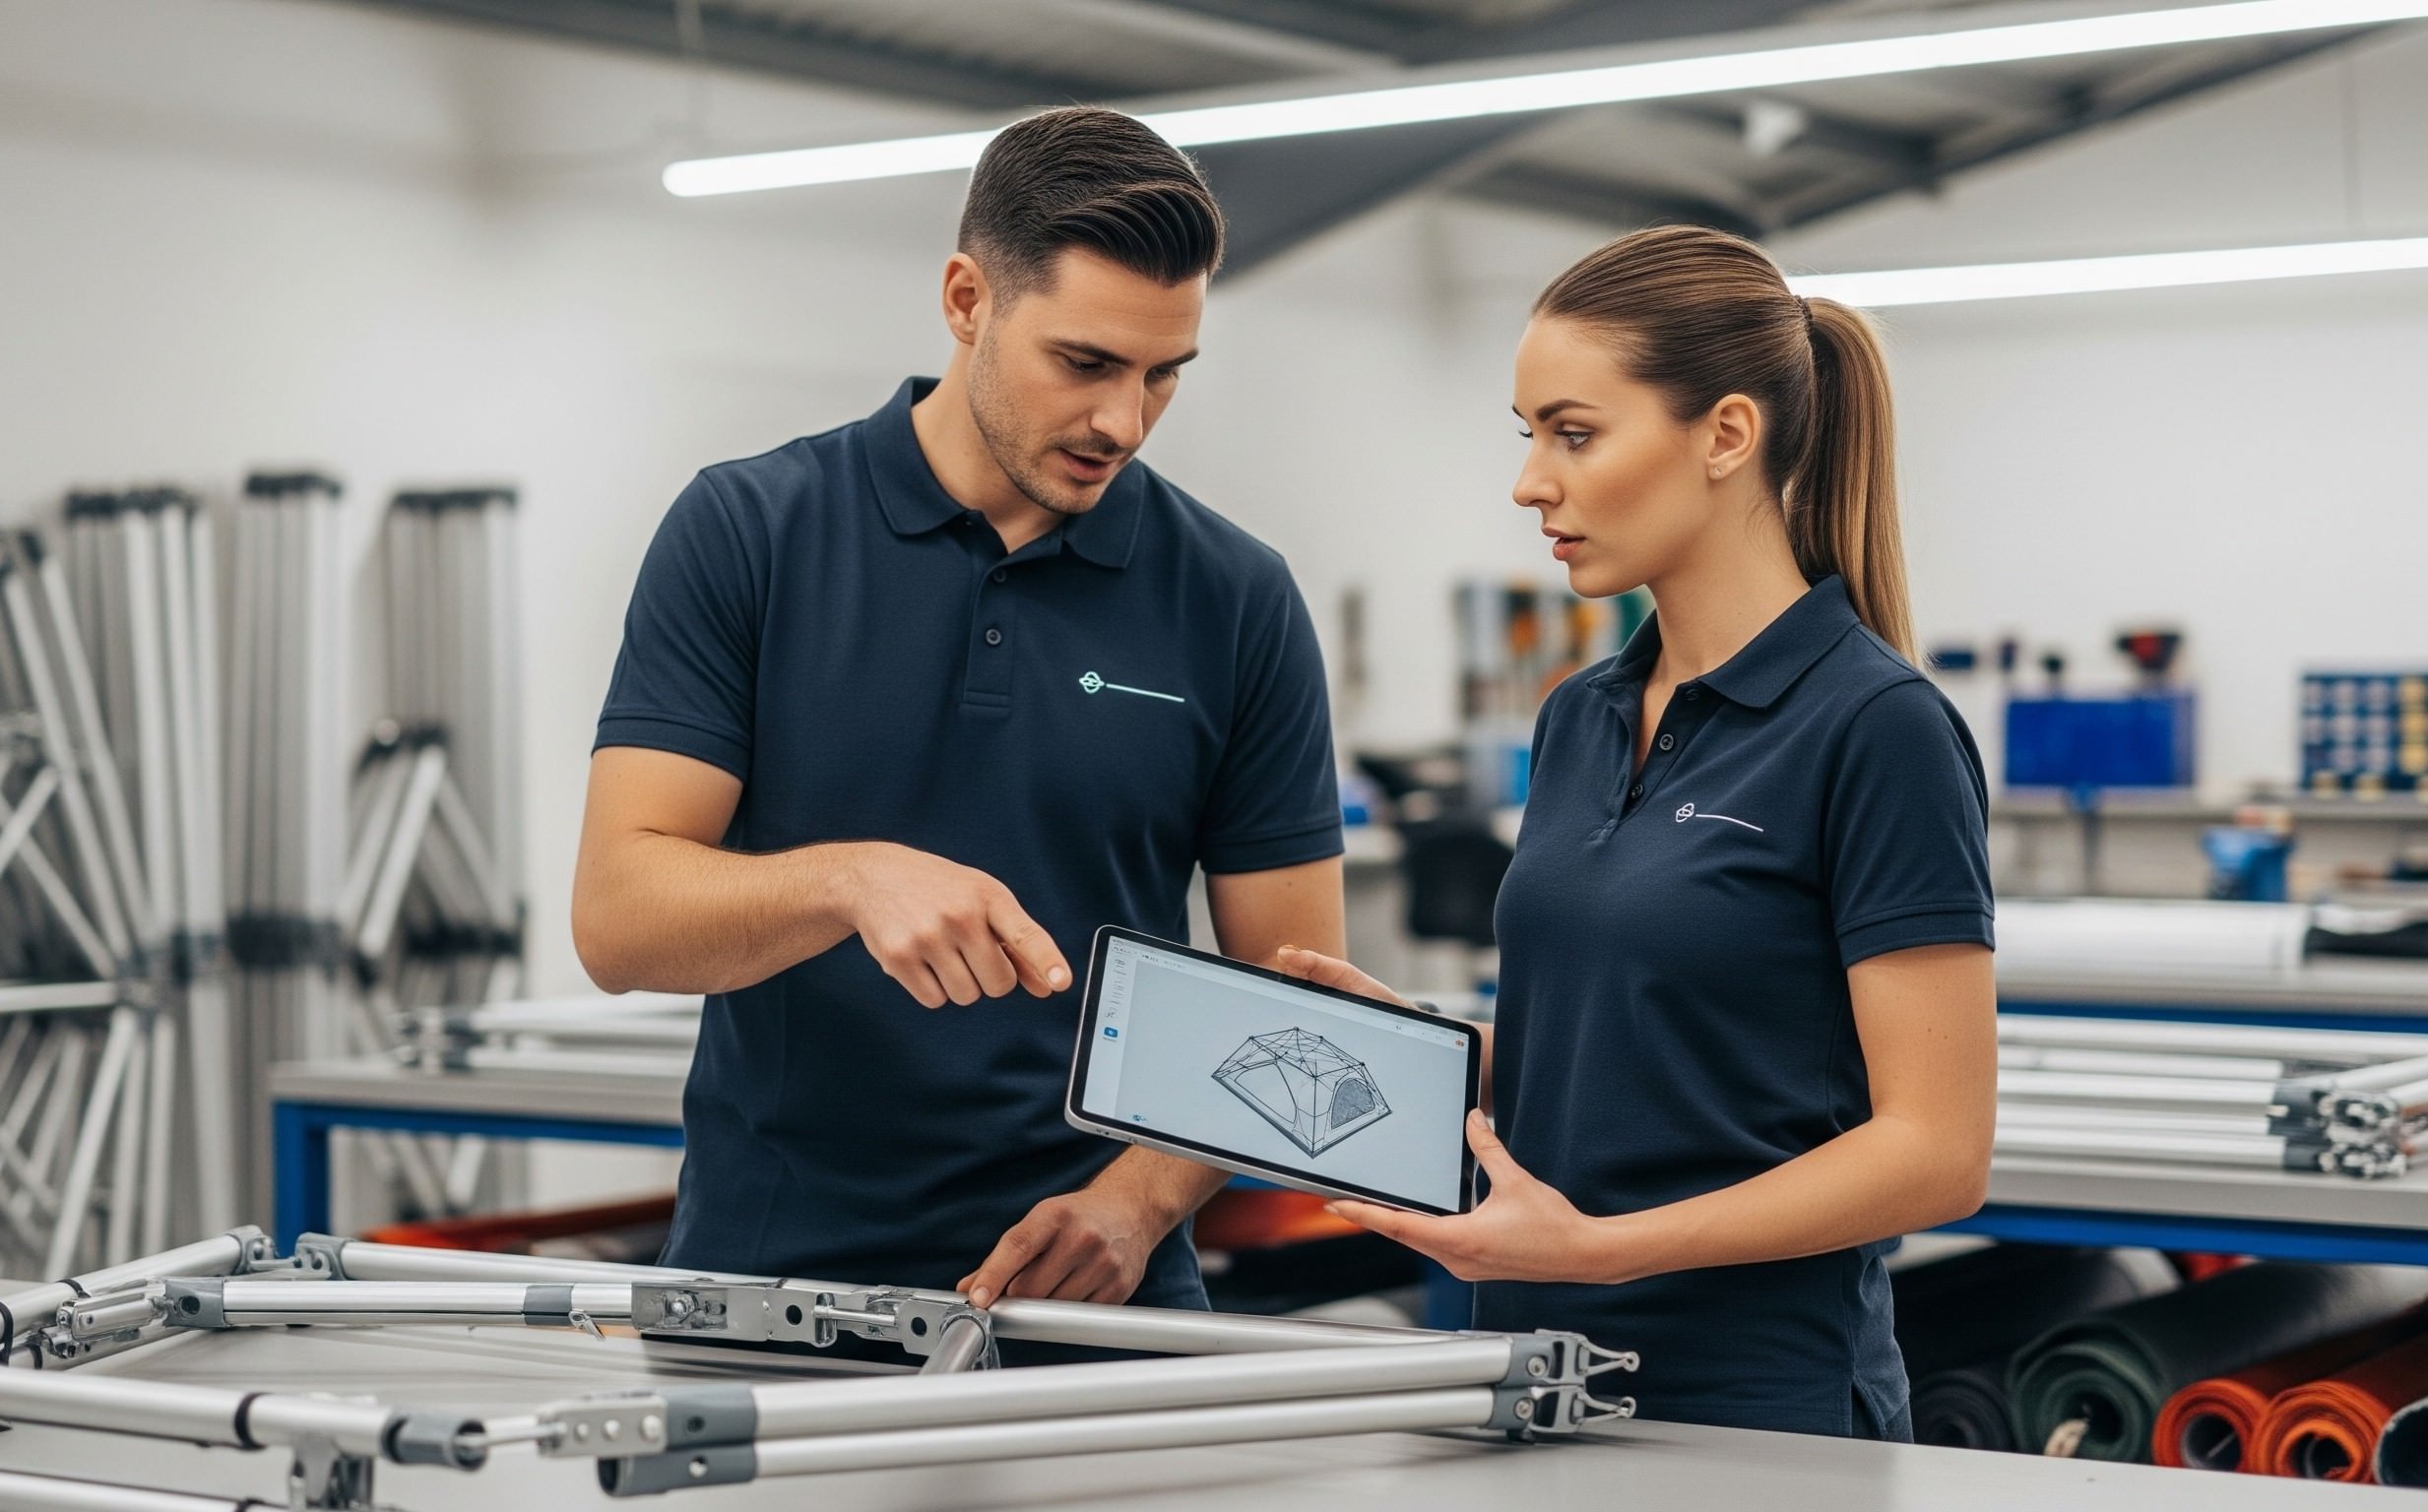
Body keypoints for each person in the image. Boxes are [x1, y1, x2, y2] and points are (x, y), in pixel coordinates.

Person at [572, 106, 1346, 1321]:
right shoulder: (750, 533)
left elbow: (1294, 996)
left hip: (1103, 1304)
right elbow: (620, 921)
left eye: (1163, 376)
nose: (1124, 423)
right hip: (774, 1284)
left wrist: (1137, 1203)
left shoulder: (1236, 597)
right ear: (967, 299)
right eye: (1085, 364)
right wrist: (848, 881)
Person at [1277, 225, 1995, 1439]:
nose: (1530, 484)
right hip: (1523, 1376)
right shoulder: (1582, 715)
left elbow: (1936, 1150)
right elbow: (1655, 1038)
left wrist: (1600, 1252)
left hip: (1754, 1408)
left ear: (1725, 435)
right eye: (1529, 437)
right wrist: (1447, 1051)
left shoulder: (1877, 728)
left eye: (1574, 433)